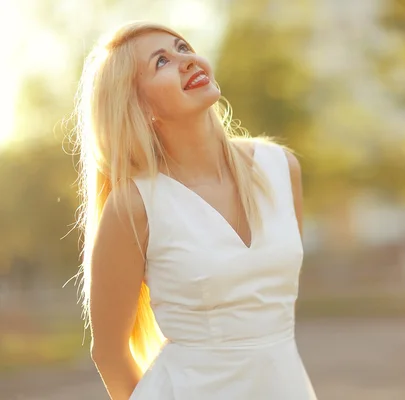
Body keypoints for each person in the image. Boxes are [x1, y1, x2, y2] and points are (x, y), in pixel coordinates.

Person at [73, 20, 317, 399]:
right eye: (161, 62)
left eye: (183, 48)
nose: (186, 61)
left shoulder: (281, 168)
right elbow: (109, 352)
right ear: (139, 106)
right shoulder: (135, 205)